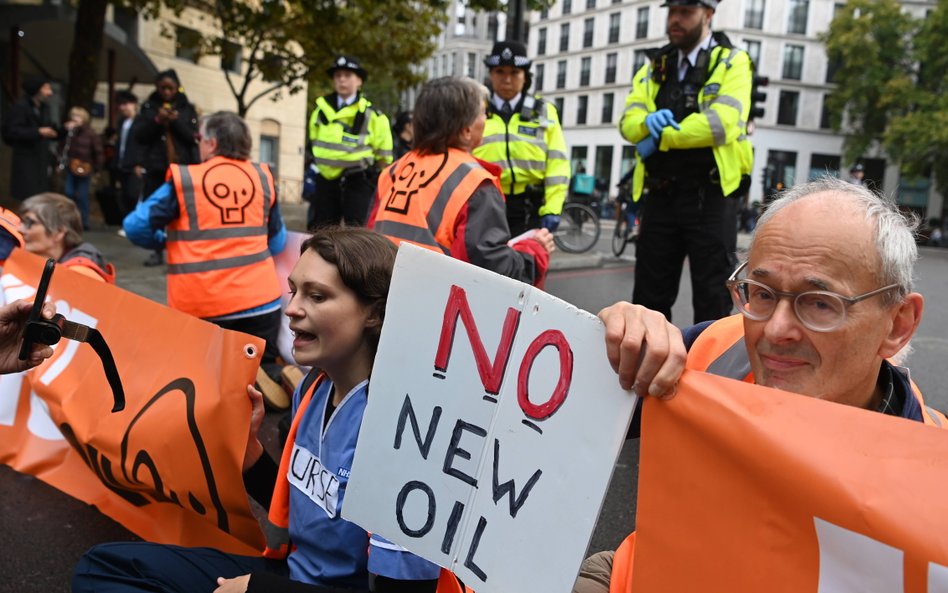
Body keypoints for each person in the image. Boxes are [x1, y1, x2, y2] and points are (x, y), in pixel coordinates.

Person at [572, 177, 944, 593]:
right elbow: (558, 419)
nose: (775, 330)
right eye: (762, 293)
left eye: (820, 303)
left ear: (898, 324)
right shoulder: (716, 346)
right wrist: (606, 339)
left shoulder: (932, 485)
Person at [72, 226, 444, 593]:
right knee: (103, 567)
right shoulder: (314, 387)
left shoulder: (405, 436)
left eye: (316, 296)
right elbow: (313, 509)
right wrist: (249, 454)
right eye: (294, 290)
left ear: (374, 314)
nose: (291, 309)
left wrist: (260, 589)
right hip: (293, 573)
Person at [123, 111, 287, 394]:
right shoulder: (262, 177)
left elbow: (135, 226)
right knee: (259, 370)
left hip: (204, 308)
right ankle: (272, 380)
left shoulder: (188, 180)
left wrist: (169, 239)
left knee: (201, 382)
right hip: (263, 304)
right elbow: (277, 242)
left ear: (210, 143)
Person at [618, 0, 752, 324]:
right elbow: (628, 122)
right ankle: (645, 372)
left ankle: (707, 372)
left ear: (708, 15)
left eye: (686, 12)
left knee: (712, 300)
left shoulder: (732, 61)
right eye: (672, 11)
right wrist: (645, 123)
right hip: (661, 195)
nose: (675, 20)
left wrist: (660, 136)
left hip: (710, 198)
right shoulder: (654, 65)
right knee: (649, 299)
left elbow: (722, 123)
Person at [369, 76, 554, 288]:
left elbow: (370, 237)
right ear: (466, 130)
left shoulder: (393, 171)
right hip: (435, 303)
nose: (487, 119)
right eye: (484, 113)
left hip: (385, 296)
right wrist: (536, 250)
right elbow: (492, 274)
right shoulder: (474, 183)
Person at [473, 41, 570, 237]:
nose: (507, 79)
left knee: (528, 266)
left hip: (530, 209)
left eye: (515, 72)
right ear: (490, 74)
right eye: (500, 71)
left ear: (525, 77)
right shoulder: (474, 110)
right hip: (484, 205)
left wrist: (552, 208)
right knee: (482, 267)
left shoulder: (543, 111)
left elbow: (557, 163)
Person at [306, 56, 393, 229]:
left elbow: (384, 155)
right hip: (326, 182)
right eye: (338, 75)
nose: (342, 79)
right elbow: (314, 143)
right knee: (322, 234)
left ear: (359, 80)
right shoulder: (320, 110)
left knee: (358, 236)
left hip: (359, 181)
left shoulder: (373, 115)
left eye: (347, 75)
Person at [134, 69, 200, 266]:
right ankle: (157, 250)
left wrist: (175, 121)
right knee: (156, 209)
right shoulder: (148, 107)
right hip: (156, 166)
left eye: (170, 88)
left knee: (182, 210)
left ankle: (181, 249)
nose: (166, 92)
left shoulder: (187, 108)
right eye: (163, 88)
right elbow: (140, 136)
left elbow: (192, 137)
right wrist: (157, 121)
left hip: (181, 168)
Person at [19, 193, 115, 283]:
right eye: (22, 222)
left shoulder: (81, 275)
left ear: (59, 232)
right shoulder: (42, 263)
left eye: (30, 223)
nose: (20, 229)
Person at [2, 77, 59, 201]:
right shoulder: (21, 107)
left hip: (41, 159)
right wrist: (38, 132)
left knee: (40, 196)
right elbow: (12, 132)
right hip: (26, 159)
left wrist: (61, 130)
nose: (50, 93)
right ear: (37, 90)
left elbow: (52, 129)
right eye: (46, 88)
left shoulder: (45, 108)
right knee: (27, 195)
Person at [60, 106, 104, 230]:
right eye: (73, 116)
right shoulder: (70, 132)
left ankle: (84, 221)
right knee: (69, 192)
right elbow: (63, 147)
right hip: (71, 166)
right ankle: (69, 219)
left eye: (78, 116)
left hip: (85, 167)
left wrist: (97, 169)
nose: (75, 119)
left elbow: (98, 152)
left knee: (83, 195)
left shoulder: (90, 134)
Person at [113, 90, 142, 216]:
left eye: (126, 104)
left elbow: (142, 144)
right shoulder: (121, 123)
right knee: (124, 195)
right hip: (122, 162)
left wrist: (140, 162)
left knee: (133, 194)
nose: (123, 108)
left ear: (134, 104)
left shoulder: (141, 122)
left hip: (134, 164)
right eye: (121, 105)